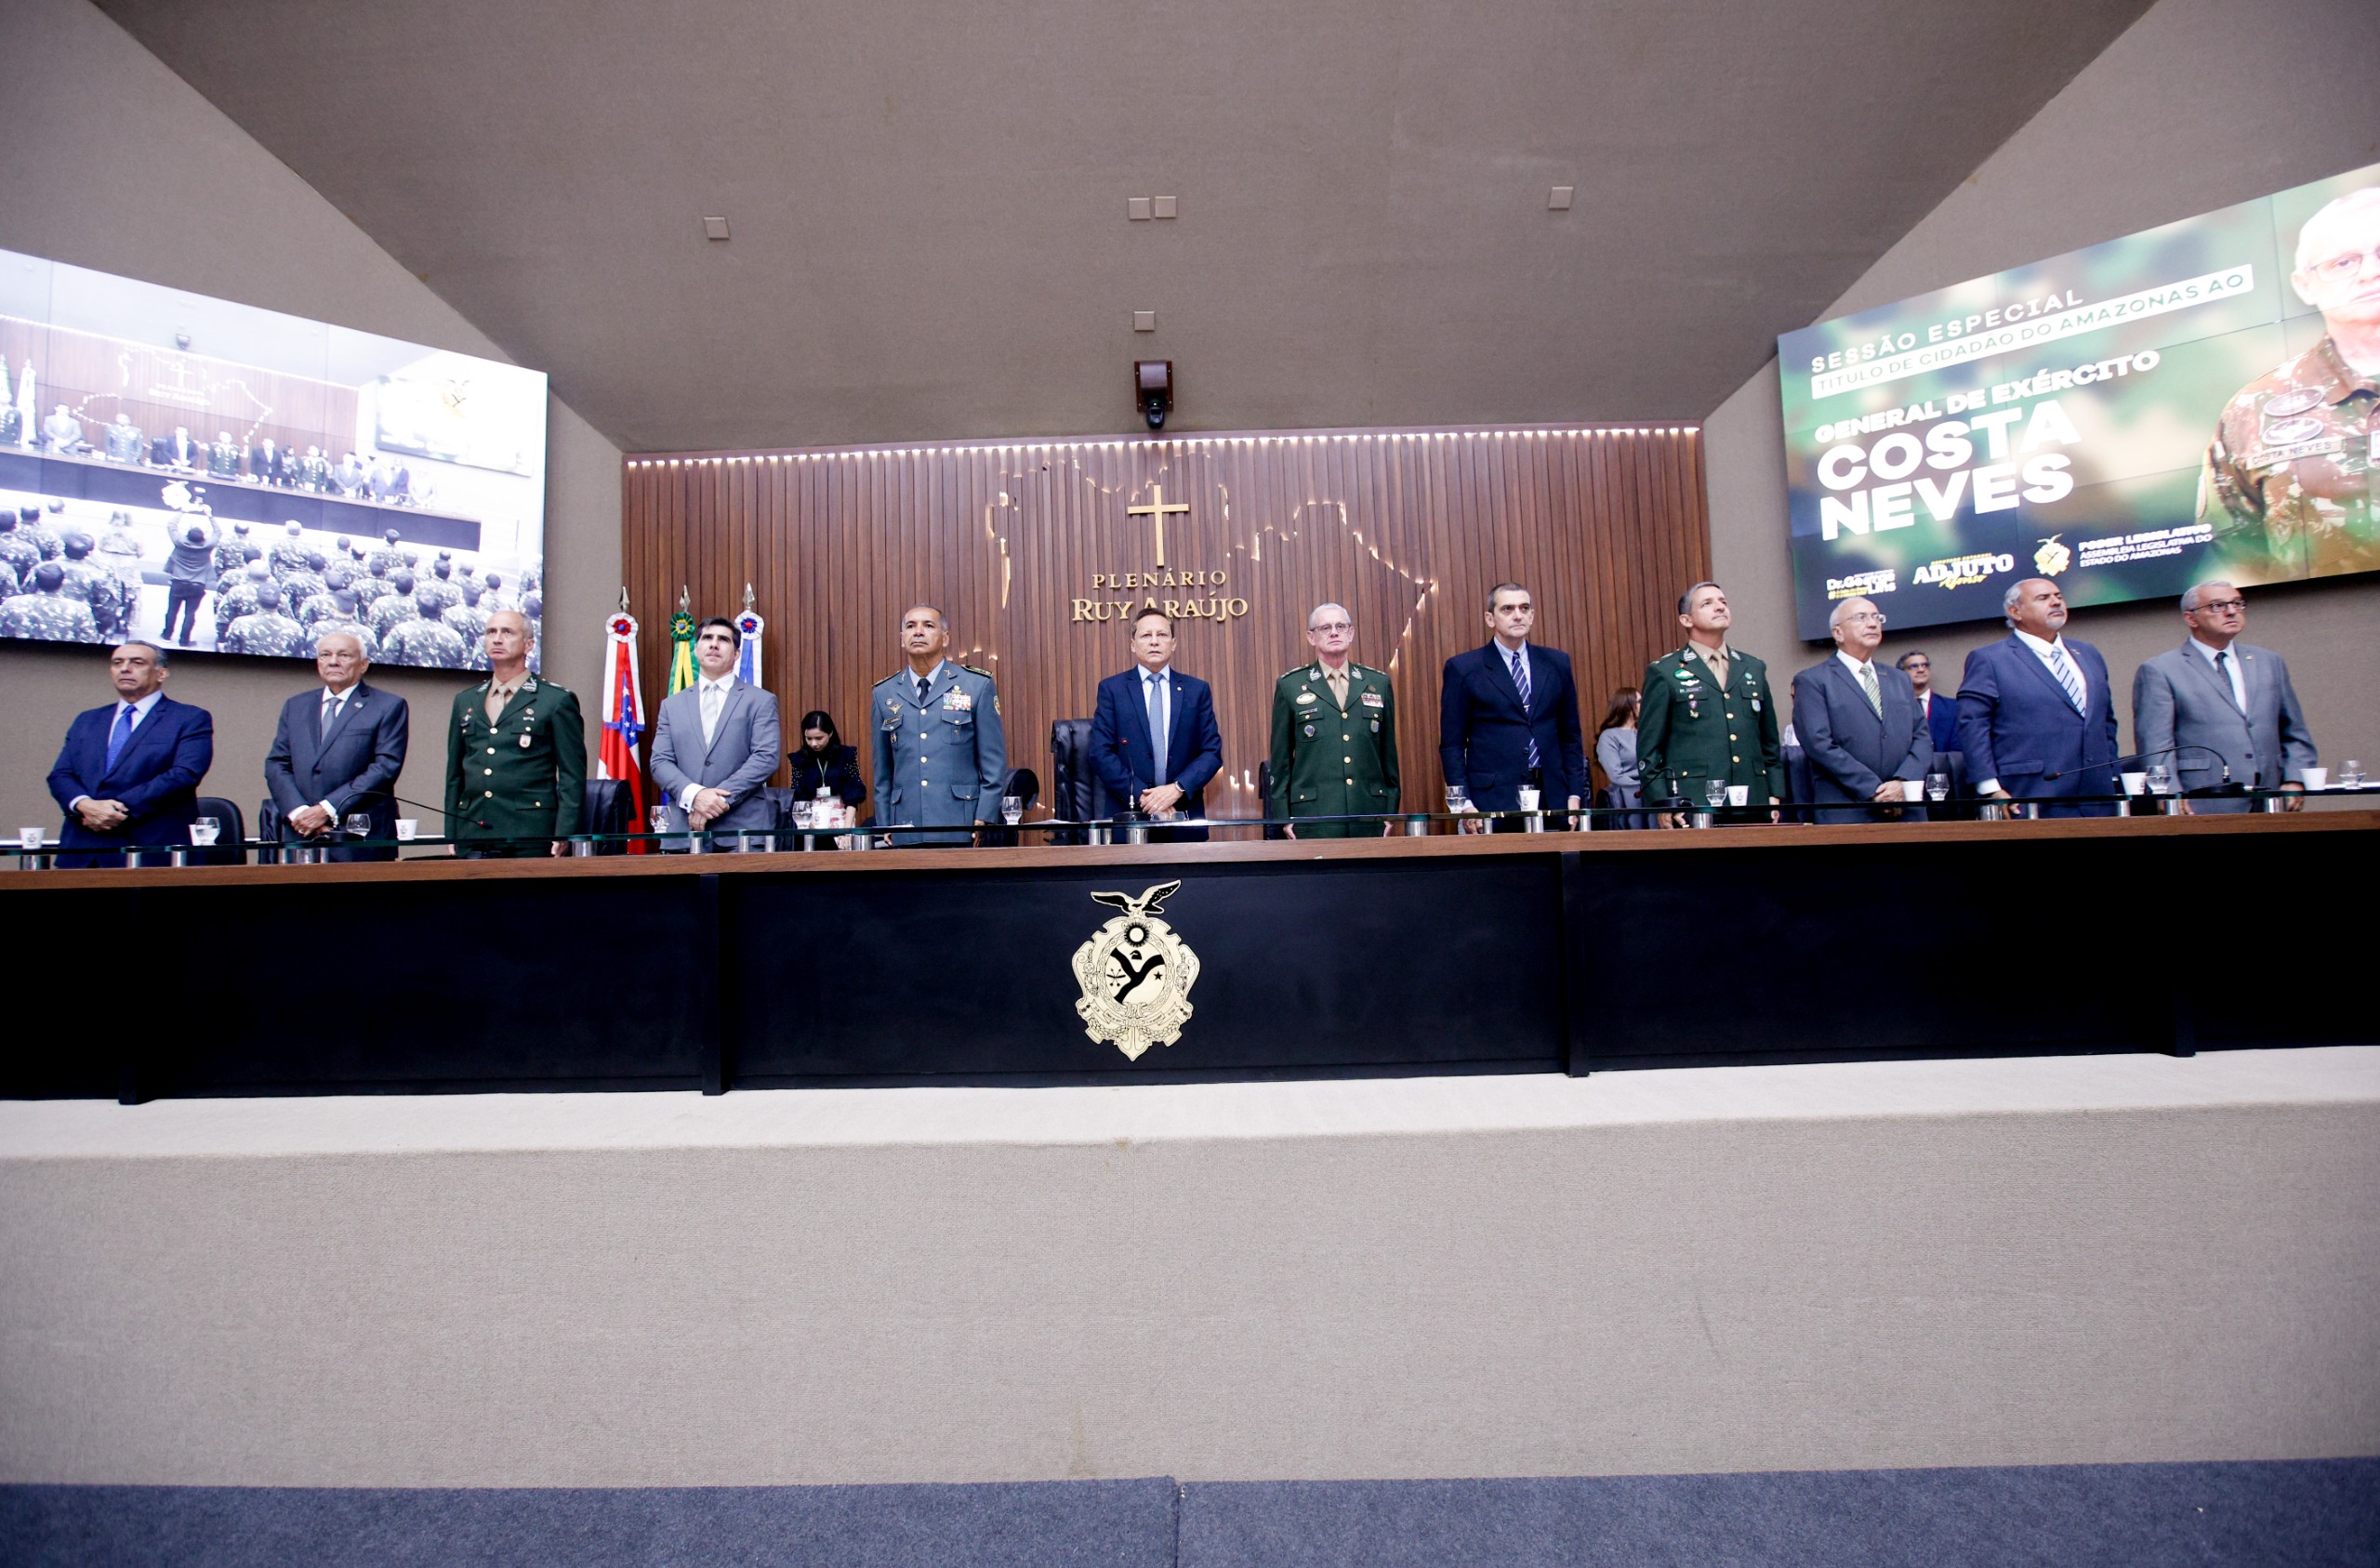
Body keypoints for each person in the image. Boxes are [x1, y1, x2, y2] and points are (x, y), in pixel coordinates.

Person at [2201, 187, 2380, 584]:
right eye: (2344, 262)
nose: (2369, 272)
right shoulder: (2254, 408)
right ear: (2305, 285)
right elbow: (2237, 548)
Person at [2132, 581, 2318, 814]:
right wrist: (2170, 794)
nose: (2231, 611)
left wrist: (2295, 779)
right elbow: (2156, 744)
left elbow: (2295, 732)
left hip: (2271, 797)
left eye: (2237, 603)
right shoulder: (2160, 669)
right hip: (2201, 799)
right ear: (2191, 619)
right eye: (2217, 606)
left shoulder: (2269, 662)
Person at [1956, 577, 2120, 817]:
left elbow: (2105, 721)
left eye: (2059, 596)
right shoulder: (1990, 659)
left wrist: (2113, 773)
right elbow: (1973, 727)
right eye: (2043, 598)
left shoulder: (2087, 653)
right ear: (2015, 612)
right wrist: (1990, 788)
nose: (2056, 602)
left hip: (2097, 795)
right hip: (2029, 793)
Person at [45, 640, 214, 867]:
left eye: (137, 662)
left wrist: (112, 810)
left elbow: (184, 774)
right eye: (117, 663)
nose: (125, 668)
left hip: (150, 849)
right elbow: (61, 775)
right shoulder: (87, 720)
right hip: (83, 849)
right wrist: (84, 805)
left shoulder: (189, 718)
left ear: (161, 673)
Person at [1437, 582, 1587, 831]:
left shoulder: (1557, 663)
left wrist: (1574, 793)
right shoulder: (1464, 668)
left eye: (1524, 608)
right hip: (1491, 799)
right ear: (1490, 618)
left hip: (1554, 794)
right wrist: (1463, 803)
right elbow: (1452, 745)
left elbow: (1570, 735)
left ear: (1532, 615)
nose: (1518, 615)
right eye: (1507, 609)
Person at [1637, 581, 1783, 824]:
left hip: (1754, 799)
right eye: (1708, 603)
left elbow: (1769, 742)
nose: (1719, 607)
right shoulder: (1665, 671)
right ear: (1686, 620)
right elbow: (1649, 750)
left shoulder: (1753, 667)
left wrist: (1775, 792)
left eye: (1723, 602)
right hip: (1692, 803)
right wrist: (1663, 802)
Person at [443, 609, 585, 856]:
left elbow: (572, 775)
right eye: (491, 632)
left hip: (529, 832)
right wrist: (451, 830)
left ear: (529, 644)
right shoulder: (465, 700)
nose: (497, 639)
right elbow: (455, 774)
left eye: (507, 632)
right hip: (474, 830)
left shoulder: (555, 700)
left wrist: (564, 832)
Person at [868, 603, 1006, 847]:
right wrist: (884, 821)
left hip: (960, 823)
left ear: (945, 638)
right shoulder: (884, 693)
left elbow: (993, 764)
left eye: (928, 625)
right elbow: (882, 771)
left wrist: (984, 816)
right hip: (904, 825)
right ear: (902, 639)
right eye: (910, 626)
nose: (918, 632)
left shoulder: (976, 685)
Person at [264, 630, 410, 861]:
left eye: (344, 655)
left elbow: (385, 767)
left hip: (359, 834)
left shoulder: (388, 706)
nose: (333, 661)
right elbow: (277, 764)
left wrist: (326, 809)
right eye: (325, 655)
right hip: (302, 832)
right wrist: (301, 813)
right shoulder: (296, 706)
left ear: (363, 664)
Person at [1790, 597, 1933, 824]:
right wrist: (1874, 790)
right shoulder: (1813, 681)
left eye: (1877, 617)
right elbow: (1819, 744)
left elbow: (1922, 737)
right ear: (1838, 633)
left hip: (1906, 806)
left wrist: (1902, 783)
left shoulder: (1899, 679)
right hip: (1847, 809)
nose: (1873, 623)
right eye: (1861, 617)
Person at [1090, 608, 1224, 841]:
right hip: (1130, 818)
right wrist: (1147, 798)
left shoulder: (1196, 690)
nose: (1154, 642)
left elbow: (1211, 752)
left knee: (1189, 878)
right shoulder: (1112, 690)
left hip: (1183, 817)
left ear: (1173, 644)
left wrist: (1177, 789)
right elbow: (1100, 753)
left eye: (1161, 635)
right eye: (1146, 635)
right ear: (1133, 644)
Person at [1267, 601, 1398, 837]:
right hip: (1314, 814)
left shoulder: (1378, 683)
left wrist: (1390, 811)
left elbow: (1388, 755)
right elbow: (1281, 761)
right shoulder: (1291, 686)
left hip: (1368, 811)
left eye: (1341, 626)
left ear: (1351, 633)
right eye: (1325, 628)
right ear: (1311, 637)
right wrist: (1284, 818)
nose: (1335, 632)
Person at [648, 615, 784, 844]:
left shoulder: (760, 700)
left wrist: (716, 800)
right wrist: (695, 796)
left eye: (723, 639)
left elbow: (766, 757)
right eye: (707, 638)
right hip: (684, 830)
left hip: (742, 831)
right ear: (696, 649)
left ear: (736, 653)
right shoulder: (672, 705)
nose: (713, 644)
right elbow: (659, 762)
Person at [0, 561, 100, 642]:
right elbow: (90, 639)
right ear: (63, 582)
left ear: (35, 581)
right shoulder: (80, 610)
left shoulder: (12, 603)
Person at [787, 710, 867, 810]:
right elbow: (798, 795)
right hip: (809, 814)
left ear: (830, 733)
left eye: (819, 738)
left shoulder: (846, 755)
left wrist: (848, 823)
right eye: (809, 738)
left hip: (841, 813)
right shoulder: (799, 759)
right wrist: (808, 823)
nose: (813, 744)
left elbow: (853, 791)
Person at [1593, 688, 1645, 828]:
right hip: (1627, 798)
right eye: (1639, 701)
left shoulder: (1645, 733)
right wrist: (1644, 788)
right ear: (1627, 705)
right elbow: (1615, 774)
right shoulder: (1609, 736)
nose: (1644, 704)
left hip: (1651, 795)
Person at [219, 582, 310, 658]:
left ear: (257, 602)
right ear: (280, 603)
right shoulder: (296, 629)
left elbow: (230, 650)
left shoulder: (239, 624)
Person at [1897, 651, 1959, 760]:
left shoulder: (1952, 708)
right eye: (1913, 666)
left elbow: (1958, 752)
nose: (1921, 670)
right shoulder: (1893, 709)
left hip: (1944, 772)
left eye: (1925, 665)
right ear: (1901, 673)